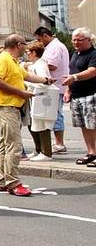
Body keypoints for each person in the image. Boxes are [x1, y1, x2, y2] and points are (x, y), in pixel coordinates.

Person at [0, 34, 52, 196]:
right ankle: (13, 182)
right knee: (13, 146)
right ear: (18, 45)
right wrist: (21, 92)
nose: (26, 47)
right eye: (25, 44)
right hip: (5, 107)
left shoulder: (13, 61)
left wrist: (45, 80)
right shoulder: (2, 59)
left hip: (9, 107)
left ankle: (2, 180)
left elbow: (27, 76)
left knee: (5, 145)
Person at [34, 26, 70, 153]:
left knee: (55, 115)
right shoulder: (53, 46)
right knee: (54, 114)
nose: (39, 42)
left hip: (55, 86)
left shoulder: (54, 47)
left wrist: (36, 66)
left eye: (39, 39)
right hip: (55, 86)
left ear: (45, 36)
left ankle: (59, 144)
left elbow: (52, 66)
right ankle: (58, 143)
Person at [64, 27, 96, 168]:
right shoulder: (75, 54)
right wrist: (68, 90)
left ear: (89, 40)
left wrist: (75, 78)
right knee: (83, 125)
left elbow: (92, 71)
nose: (76, 42)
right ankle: (91, 153)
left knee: (93, 125)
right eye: (74, 40)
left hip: (91, 94)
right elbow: (71, 72)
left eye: (79, 40)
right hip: (77, 96)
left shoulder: (93, 54)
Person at [24, 42, 55, 162]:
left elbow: (43, 81)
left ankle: (46, 152)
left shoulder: (40, 65)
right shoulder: (36, 64)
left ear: (33, 53)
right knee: (35, 123)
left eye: (28, 52)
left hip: (40, 96)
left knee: (41, 123)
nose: (26, 54)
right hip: (36, 95)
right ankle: (39, 149)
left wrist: (26, 82)